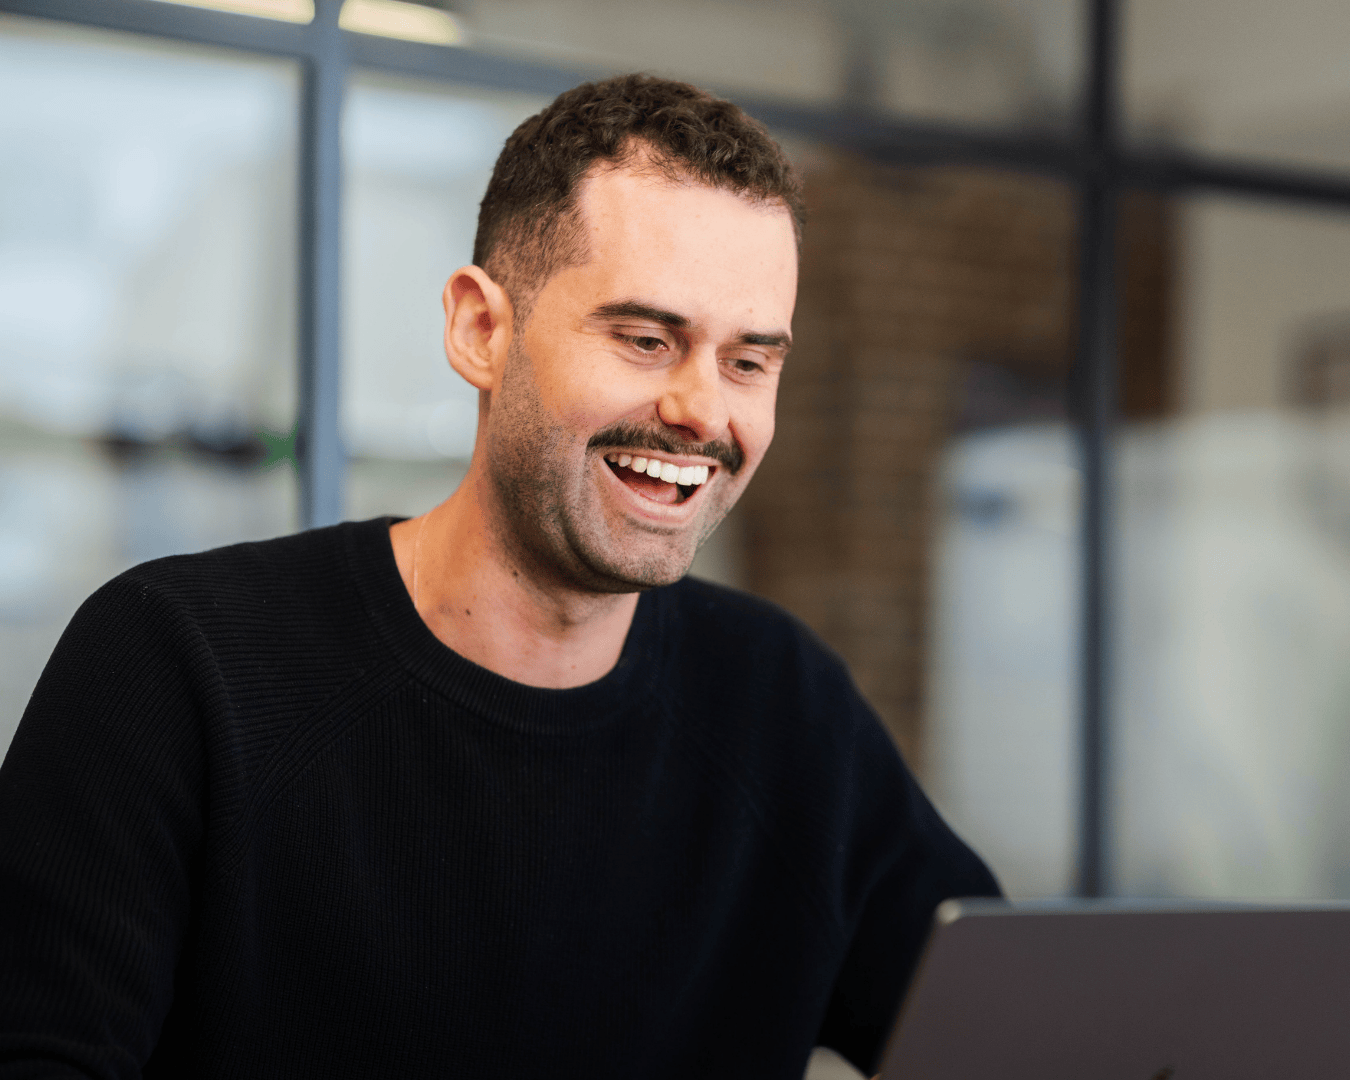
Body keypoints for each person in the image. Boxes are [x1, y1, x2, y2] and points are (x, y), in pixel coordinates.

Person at [0, 74, 998, 1079]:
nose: (704, 412)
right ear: (482, 330)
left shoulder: (784, 707)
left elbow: (1028, 1028)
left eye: (749, 361)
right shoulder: (177, 668)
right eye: (647, 339)